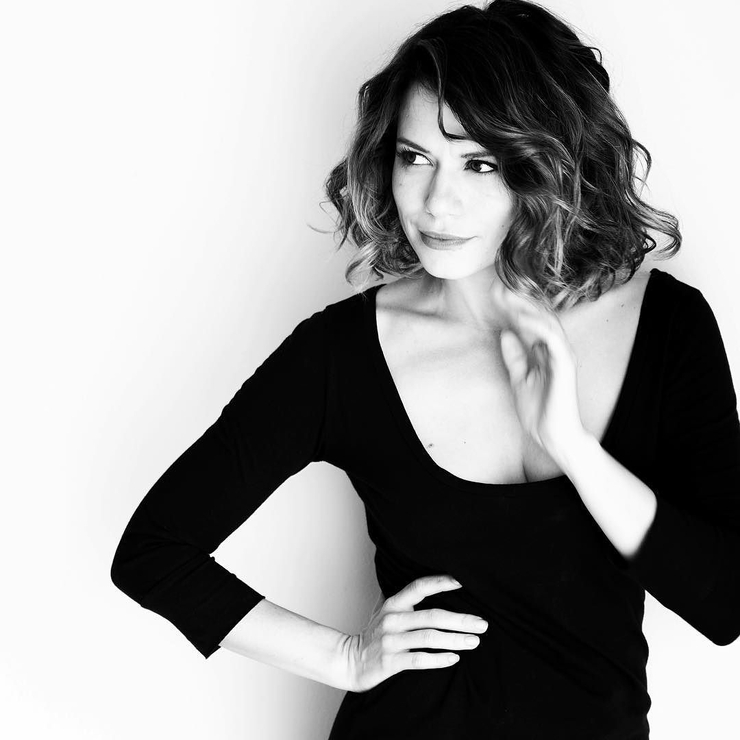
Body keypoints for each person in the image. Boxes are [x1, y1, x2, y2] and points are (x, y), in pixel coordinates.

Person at [111, 0, 740, 737]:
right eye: (415, 158)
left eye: (480, 163)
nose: (438, 202)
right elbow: (154, 551)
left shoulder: (664, 325)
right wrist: (346, 657)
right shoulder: (342, 353)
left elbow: (724, 603)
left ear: (547, 165)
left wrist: (573, 447)